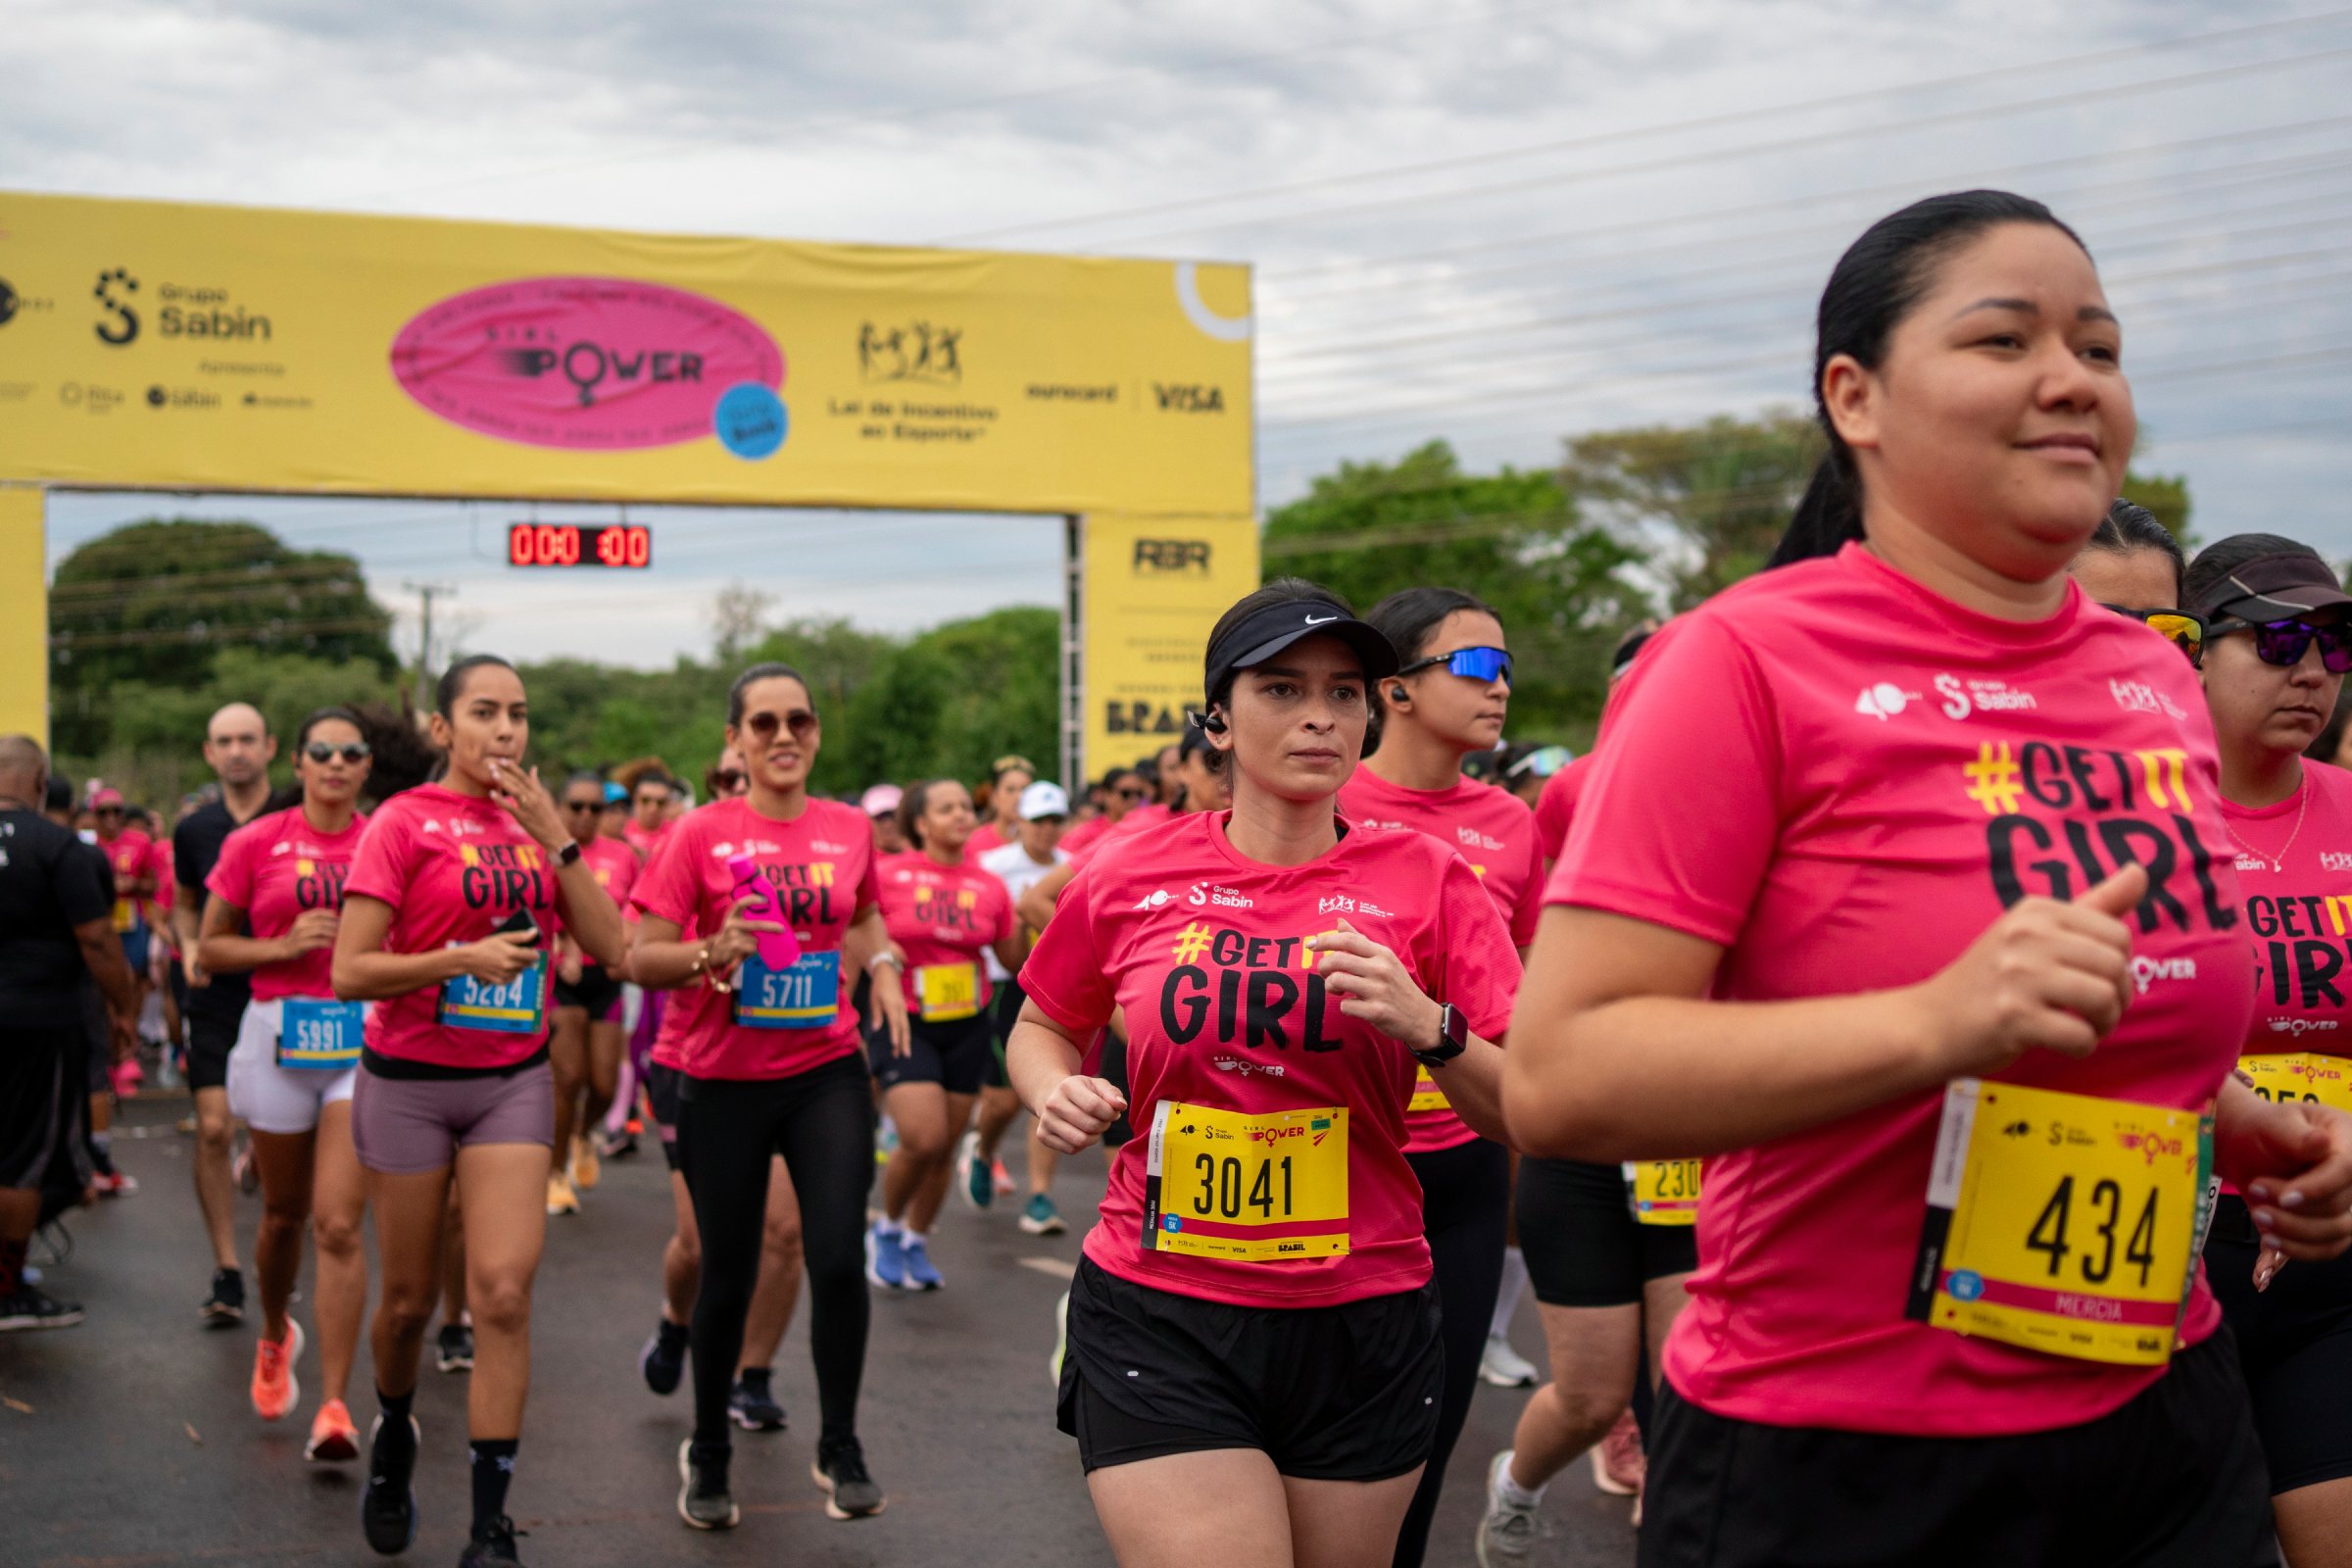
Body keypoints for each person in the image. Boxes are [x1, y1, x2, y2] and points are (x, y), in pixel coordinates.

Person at [1507, 190, 2352, 1566]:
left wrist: (2258, 1130)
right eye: (2006, 340)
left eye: (2099, 346)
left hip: (2163, 1421)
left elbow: (2109, 997)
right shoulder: (1736, 663)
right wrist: (1935, 1022)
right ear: (1855, 396)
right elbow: (1561, 1077)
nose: (2071, 379)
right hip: (1838, 1450)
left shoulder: (2150, 679)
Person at [1008, 578, 1522, 1568]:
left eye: (1343, 692)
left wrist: (1429, 1027)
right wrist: (1050, 1088)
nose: (1319, 715)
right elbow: (1043, 1023)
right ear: (1218, 718)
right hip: (1162, 1305)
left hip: (1362, 1311)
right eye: (1282, 689)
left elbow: (1526, 1108)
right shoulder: (1128, 871)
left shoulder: (1430, 880)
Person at [331, 655, 625, 1568]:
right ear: (442, 727)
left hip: (510, 1079)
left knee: (501, 1294)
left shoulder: (536, 824)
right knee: (409, 1304)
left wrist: (559, 839)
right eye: (486, 712)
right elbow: (349, 971)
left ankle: (489, 1524)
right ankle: (393, 1431)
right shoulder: (401, 822)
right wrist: (461, 960)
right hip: (410, 1081)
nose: (506, 730)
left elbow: (612, 946)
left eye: (519, 714)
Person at [630, 662, 906, 1529]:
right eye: (765, 723)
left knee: (836, 1258)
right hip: (722, 1081)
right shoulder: (698, 833)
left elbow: (862, 914)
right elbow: (640, 956)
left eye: (800, 720)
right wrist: (712, 950)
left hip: (825, 1069)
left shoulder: (849, 826)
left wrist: (884, 964)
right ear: (736, 740)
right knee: (729, 1272)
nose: (784, 736)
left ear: (816, 732)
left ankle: (841, 1444)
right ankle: (710, 1447)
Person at [1338, 586, 1544, 1568]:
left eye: (1506, 667)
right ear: (1396, 688)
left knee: (1426, 1443)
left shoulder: (1511, 822)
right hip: (1337, 1161)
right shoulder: (1322, 798)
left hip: (1462, 1166)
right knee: (1329, 1449)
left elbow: (1528, 995)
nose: (1499, 686)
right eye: (1475, 665)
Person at [2182, 533, 2352, 1568]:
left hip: (2331, 1256)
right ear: (2191, 652)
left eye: (2336, 644)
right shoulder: (2138, 816)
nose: (2312, 671)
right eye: (2280, 638)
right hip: (2171, 1257)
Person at [196, 708, 374, 1461]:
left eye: (351, 751)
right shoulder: (255, 842)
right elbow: (209, 948)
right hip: (277, 1032)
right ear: (297, 763)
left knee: (338, 1225)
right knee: (282, 1217)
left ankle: (334, 1406)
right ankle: (275, 1329)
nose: (336, 762)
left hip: (360, 1039)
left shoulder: (385, 840)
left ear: (367, 765)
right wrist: (282, 944)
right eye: (321, 751)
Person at [0, 736, 139, 1331]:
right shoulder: (58, 845)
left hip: (32, 1014)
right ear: (39, 783)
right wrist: (124, 1009)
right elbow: (98, 939)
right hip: (37, 1020)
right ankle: (8, 1292)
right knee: (22, 1158)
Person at [866, 778, 1021, 1291]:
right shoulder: (889, 875)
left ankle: (916, 1238)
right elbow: (857, 929)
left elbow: (1013, 959)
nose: (960, 814)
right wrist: (882, 951)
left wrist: (1035, 920)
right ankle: (887, 1229)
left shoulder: (990, 885)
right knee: (922, 1137)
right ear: (920, 823)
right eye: (946, 808)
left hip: (968, 1023)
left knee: (945, 1147)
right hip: (905, 1018)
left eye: (964, 806)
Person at [173, 702, 280, 1326]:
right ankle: (227, 1270)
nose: (236, 750)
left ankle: (277, 1251)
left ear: (270, 747)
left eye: (247, 739)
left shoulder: (295, 816)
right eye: (224, 741)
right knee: (214, 1128)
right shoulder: (194, 830)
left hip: (285, 995)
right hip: (216, 996)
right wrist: (192, 947)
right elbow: (186, 903)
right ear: (209, 753)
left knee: (274, 1140)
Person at [961, 780, 1071, 1232]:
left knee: (1053, 1088)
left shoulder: (1070, 867)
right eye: (1039, 820)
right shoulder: (992, 865)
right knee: (1005, 1100)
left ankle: (1040, 1197)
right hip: (1004, 984)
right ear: (1020, 821)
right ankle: (983, 1151)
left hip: (1058, 986)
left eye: (1055, 820)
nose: (1047, 829)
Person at [546, 772, 639, 1216]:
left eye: (595, 808)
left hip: (607, 975)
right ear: (560, 808)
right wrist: (560, 943)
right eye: (576, 806)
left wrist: (626, 945)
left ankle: (584, 1133)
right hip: (562, 978)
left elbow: (637, 908)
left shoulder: (623, 856)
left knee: (605, 1084)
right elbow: (538, 905)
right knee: (568, 1078)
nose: (586, 815)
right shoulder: (545, 849)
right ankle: (555, 1172)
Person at [1057, 765, 1147, 857]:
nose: (1134, 800)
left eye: (1139, 794)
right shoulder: (1084, 835)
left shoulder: (1145, 831)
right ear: (1106, 794)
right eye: (1126, 794)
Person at [968, 755, 1036, 858]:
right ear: (994, 796)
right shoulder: (974, 844)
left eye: (1025, 789)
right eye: (1010, 790)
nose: (1019, 797)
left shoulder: (1046, 841)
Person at [861, 784, 907, 855]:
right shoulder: (862, 859)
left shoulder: (924, 855)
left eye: (893, 814)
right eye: (879, 817)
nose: (888, 824)